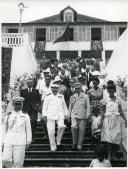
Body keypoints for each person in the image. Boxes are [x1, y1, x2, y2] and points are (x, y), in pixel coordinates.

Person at [100, 81, 127, 160]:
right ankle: (109, 155)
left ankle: (113, 155)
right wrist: (100, 121)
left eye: (112, 90)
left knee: (115, 138)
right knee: (108, 138)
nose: (111, 92)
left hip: (116, 120)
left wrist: (125, 120)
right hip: (108, 120)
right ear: (108, 91)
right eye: (109, 90)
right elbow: (103, 111)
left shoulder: (118, 100)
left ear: (114, 91)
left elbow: (121, 111)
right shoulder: (105, 100)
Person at [2, 97, 32, 168]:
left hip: (20, 141)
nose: (18, 106)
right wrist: (2, 142)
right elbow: (3, 130)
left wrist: (28, 141)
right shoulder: (8, 116)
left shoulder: (25, 116)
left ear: (22, 105)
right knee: (5, 159)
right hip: (8, 140)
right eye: (16, 104)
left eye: (19, 104)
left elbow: (28, 129)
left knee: (18, 162)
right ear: (13, 104)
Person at [42, 84, 69, 151]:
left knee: (61, 126)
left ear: (58, 90)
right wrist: (44, 115)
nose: (54, 91)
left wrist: (66, 114)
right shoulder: (47, 96)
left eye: (56, 89)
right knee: (51, 132)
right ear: (51, 89)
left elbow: (64, 106)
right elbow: (44, 107)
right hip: (50, 115)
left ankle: (58, 141)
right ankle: (53, 147)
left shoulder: (61, 96)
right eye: (53, 89)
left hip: (60, 115)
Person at [69, 83, 90, 151]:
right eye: (76, 88)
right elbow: (70, 107)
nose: (77, 89)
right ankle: (74, 143)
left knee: (81, 130)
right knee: (73, 127)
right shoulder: (73, 96)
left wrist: (87, 115)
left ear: (81, 88)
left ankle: (79, 144)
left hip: (82, 115)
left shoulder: (85, 96)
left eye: (78, 88)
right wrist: (69, 115)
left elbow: (88, 106)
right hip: (74, 115)